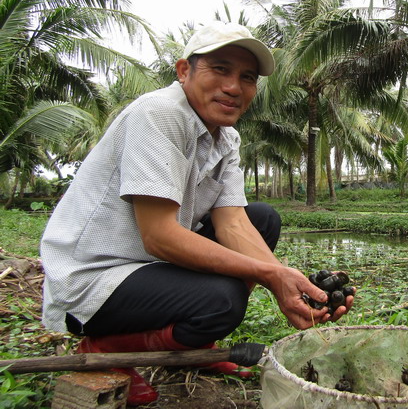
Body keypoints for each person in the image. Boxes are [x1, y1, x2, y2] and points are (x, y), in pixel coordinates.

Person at [40, 21, 353, 406]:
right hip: (94, 281)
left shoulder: (227, 136)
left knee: (261, 218)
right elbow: (159, 235)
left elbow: (234, 223)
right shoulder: (159, 114)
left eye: (247, 77)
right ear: (184, 70)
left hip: (147, 267)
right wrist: (271, 273)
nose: (234, 87)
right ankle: (106, 347)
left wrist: (284, 283)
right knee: (221, 300)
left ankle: (197, 339)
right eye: (220, 69)